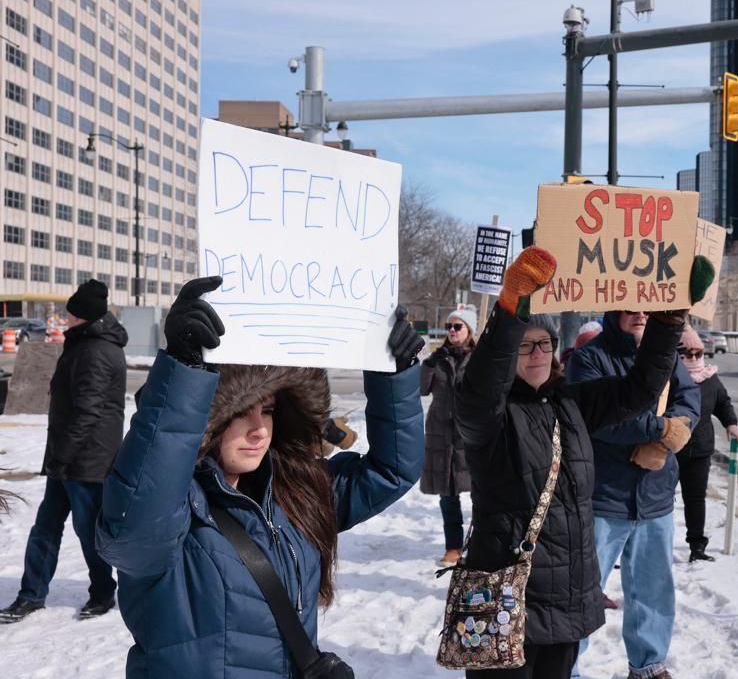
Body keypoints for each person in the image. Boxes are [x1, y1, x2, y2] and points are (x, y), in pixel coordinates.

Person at [94, 277, 426, 677]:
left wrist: (393, 376)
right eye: (239, 413)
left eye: (267, 410)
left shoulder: (294, 494)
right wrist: (184, 371)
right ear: (206, 421)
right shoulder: (171, 516)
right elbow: (134, 527)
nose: (258, 430)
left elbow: (392, 470)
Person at [456, 247, 713, 679]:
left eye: (544, 344)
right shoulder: (489, 418)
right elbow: (482, 385)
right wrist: (510, 310)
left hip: (565, 599)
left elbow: (640, 389)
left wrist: (669, 320)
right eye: (524, 346)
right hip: (505, 595)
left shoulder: (571, 403)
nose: (536, 353)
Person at [568, 310, 702, 679]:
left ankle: (648, 665)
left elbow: (689, 399)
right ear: (614, 308)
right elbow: (599, 417)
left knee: (652, 589)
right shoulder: (589, 358)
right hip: (602, 496)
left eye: (647, 306)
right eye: (631, 305)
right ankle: (566, 668)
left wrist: (667, 440)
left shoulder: (667, 356)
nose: (640, 313)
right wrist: (660, 430)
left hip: (655, 496)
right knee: (581, 593)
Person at [0, 279, 127, 624]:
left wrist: (63, 455)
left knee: (88, 532)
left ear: (82, 316)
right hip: (68, 457)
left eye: (70, 313)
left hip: (87, 460)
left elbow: (88, 411)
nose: (65, 318)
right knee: (46, 527)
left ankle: (102, 592)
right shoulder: (84, 344)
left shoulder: (96, 351)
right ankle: (31, 594)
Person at [675, 327, 738, 563]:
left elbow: (723, 403)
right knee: (660, 501)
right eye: (688, 354)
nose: (694, 358)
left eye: (698, 353)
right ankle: (653, 545)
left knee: (695, 499)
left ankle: (697, 546)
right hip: (669, 450)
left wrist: (731, 423)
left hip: (700, 449)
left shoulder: (710, 378)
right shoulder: (669, 377)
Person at [421, 307, 477, 567]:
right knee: (448, 493)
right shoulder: (438, 358)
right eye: (449, 327)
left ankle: (480, 543)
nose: (452, 331)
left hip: (470, 434)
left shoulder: (479, 359)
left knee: (480, 493)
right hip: (441, 434)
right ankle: (453, 547)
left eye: (457, 326)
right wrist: (428, 364)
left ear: (469, 330)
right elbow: (422, 389)